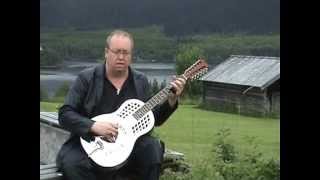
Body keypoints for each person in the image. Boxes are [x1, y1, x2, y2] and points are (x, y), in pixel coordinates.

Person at [56, 29, 186, 180]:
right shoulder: (87, 78)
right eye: (117, 52)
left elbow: (153, 119)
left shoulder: (140, 81)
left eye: (126, 53)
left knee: (152, 149)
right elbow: (65, 114)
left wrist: (171, 100)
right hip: (88, 143)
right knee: (73, 165)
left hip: (127, 147)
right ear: (106, 52)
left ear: (131, 55)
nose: (121, 57)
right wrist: (93, 126)